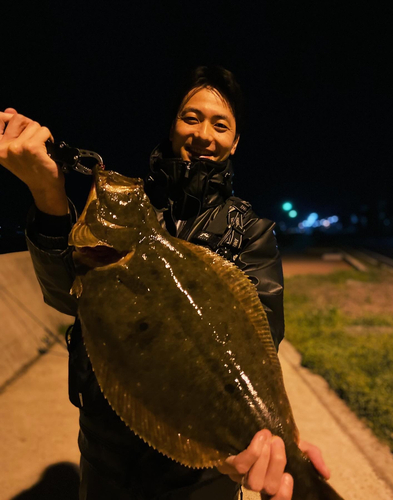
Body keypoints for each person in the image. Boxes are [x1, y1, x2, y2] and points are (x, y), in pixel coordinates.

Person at [0, 66, 330, 500]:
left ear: (235, 142)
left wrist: (255, 439)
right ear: (172, 126)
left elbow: (260, 338)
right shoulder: (136, 209)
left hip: (198, 479)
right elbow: (67, 295)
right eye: (191, 117)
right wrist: (47, 193)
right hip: (106, 450)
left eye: (221, 124)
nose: (204, 134)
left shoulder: (250, 231)